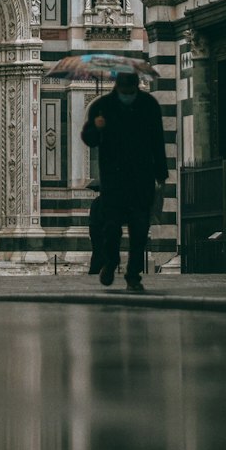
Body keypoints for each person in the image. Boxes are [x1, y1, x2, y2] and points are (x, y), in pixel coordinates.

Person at [80, 70, 167, 292]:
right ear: (117, 88)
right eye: (124, 91)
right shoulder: (104, 106)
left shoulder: (149, 105)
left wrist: (161, 174)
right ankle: (110, 262)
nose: (127, 94)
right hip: (114, 179)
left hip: (141, 177)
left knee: (139, 230)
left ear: (136, 88)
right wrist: (96, 127)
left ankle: (133, 275)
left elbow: (158, 139)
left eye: (131, 91)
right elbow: (89, 139)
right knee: (110, 228)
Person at [87, 179, 106, 277]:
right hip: (101, 231)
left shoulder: (96, 202)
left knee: (97, 251)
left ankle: (95, 269)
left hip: (95, 231)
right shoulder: (104, 202)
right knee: (100, 251)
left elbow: (92, 218)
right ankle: (95, 270)